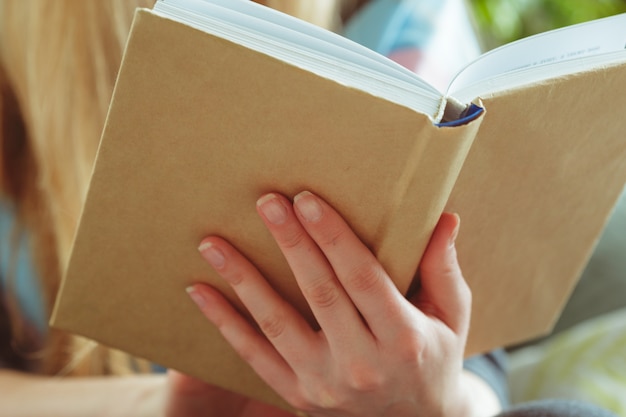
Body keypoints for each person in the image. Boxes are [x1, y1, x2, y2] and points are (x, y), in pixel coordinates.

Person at [0, 0, 619, 416]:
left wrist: (440, 400)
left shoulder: (402, 25)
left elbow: (478, 360)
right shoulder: (23, 71)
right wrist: (165, 406)